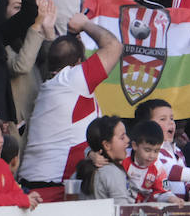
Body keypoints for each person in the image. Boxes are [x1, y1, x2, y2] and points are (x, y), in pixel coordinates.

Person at [14, 11, 121, 186]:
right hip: (55, 186)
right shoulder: (73, 79)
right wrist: (85, 24)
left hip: (35, 183)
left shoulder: (54, 84)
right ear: (79, 62)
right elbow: (113, 46)